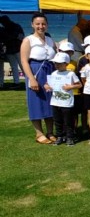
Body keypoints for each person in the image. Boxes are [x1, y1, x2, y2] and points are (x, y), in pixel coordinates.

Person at [20, 12, 57, 144]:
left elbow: (55, 56)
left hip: (50, 71)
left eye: (43, 24)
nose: (41, 26)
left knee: (50, 102)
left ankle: (50, 131)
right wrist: (32, 79)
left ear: (47, 25)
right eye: (38, 24)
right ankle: (39, 133)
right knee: (36, 102)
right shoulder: (28, 40)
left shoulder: (50, 40)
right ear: (32, 25)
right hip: (35, 71)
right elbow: (24, 61)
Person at [43, 52, 81, 146]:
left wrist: (70, 87)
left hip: (67, 102)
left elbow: (79, 84)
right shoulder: (54, 73)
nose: (57, 65)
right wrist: (47, 86)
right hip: (55, 101)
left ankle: (70, 137)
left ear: (66, 64)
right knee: (57, 120)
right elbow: (48, 84)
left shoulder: (70, 74)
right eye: (56, 63)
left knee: (68, 121)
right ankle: (60, 136)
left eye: (59, 63)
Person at [0, 15, 24, 87]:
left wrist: (10, 37)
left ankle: (17, 82)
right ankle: (17, 82)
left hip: (15, 49)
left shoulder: (7, 29)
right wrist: (13, 37)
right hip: (13, 49)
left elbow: (20, 36)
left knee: (18, 66)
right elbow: (20, 36)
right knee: (18, 66)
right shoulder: (14, 27)